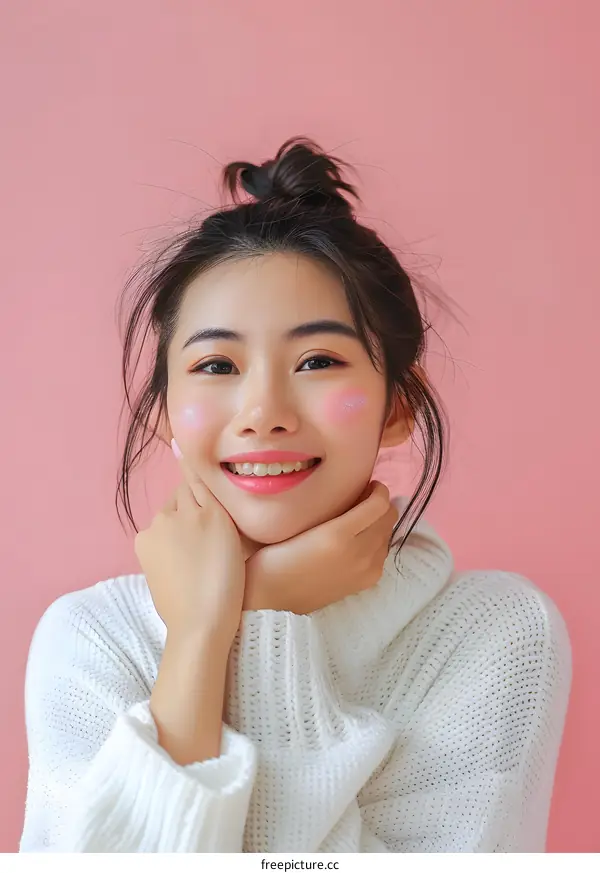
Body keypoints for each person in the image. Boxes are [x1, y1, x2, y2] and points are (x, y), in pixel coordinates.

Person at [19, 137, 572, 853]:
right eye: (217, 363)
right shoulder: (91, 638)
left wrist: (258, 617)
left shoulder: (492, 632)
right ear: (161, 413)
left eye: (317, 360)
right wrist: (198, 638)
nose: (263, 411)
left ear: (398, 405)